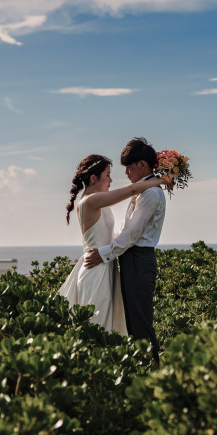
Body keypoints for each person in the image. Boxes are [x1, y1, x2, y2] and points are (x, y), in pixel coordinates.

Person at [58, 153, 163, 333]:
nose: (111, 180)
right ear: (93, 178)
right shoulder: (90, 201)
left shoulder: (98, 202)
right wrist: (161, 180)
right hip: (96, 270)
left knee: (105, 326)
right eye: (107, 175)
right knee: (97, 325)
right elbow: (131, 190)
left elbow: (111, 233)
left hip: (104, 264)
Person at [84, 138, 165, 364]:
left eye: (129, 167)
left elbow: (132, 234)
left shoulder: (150, 194)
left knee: (140, 323)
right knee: (132, 322)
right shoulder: (142, 191)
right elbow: (126, 230)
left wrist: (104, 253)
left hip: (139, 260)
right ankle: (142, 368)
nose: (127, 172)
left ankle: (153, 371)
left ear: (142, 164)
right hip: (131, 259)